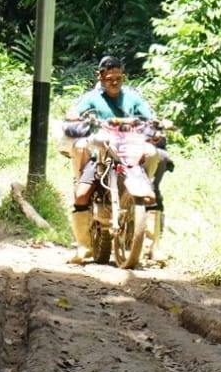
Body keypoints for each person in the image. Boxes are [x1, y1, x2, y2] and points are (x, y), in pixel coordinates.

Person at [62, 55, 168, 264]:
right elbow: (72, 114)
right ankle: (84, 247)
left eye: (118, 78)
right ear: (100, 77)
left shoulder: (132, 97)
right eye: (110, 78)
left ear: (123, 77)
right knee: (81, 195)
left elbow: (149, 118)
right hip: (102, 156)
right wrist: (77, 117)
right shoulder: (92, 97)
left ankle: (152, 247)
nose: (114, 82)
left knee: (151, 193)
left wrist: (154, 128)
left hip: (129, 154)